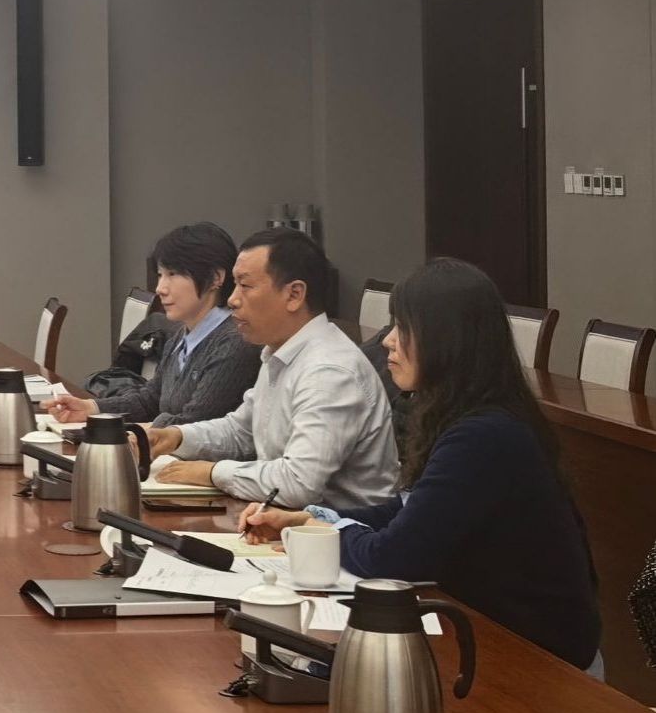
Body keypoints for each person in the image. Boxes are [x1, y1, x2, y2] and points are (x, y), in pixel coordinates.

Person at [240, 259, 601, 672]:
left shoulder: (485, 435)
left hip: (538, 658)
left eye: (402, 327)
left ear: (447, 340)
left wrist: (324, 531)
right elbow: (409, 509)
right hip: (484, 631)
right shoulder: (458, 414)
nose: (388, 341)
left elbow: (394, 558)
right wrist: (310, 519)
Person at [144, 227, 399, 508]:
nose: (232, 299)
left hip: (337, 530)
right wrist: (177, 437)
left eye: (245, 286)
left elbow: (298, 484)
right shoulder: (279, 351)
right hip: (281, 520)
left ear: (294, 295)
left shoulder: (329, 372)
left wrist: (212, 473)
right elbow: (242, 431)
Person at [51, 223, 259, 428]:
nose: (160, 288)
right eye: (160, 275)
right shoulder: (181, 336)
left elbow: (193, 424)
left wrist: (133, 430)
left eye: (173, 274)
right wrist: (92, 408)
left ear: (215, 278)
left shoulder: (234, 342)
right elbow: (150, 400)